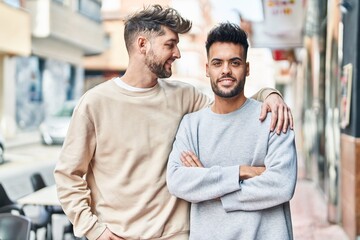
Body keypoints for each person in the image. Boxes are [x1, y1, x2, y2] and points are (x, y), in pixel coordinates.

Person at [54, 5, 293, 240]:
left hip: (176, 235)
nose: (177, 53)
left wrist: (270, 95)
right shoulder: (95, 103)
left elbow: (232, 103)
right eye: (170, 44)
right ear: (142, 45)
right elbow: (68, 175)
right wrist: (94, 230)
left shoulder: (184, 97)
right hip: (117, 234)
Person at [166, 23, 297, 240]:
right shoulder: (191, 125)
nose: (226, 70)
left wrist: (210, 188)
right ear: (207, 69)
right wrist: (241, 172)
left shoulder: (274, 118)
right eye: (218, 63)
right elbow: (178, 181)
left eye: (234, 62)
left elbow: (281, 185)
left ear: (247, 68)